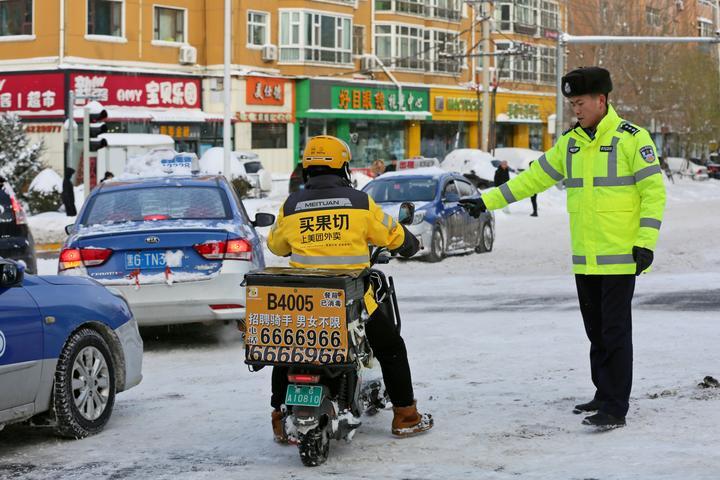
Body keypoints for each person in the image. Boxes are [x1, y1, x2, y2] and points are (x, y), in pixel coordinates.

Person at [459, 67, 666, 429]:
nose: (576, 109)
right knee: (596, 333)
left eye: (581, 102)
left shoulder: (632, 138)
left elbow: (654, 194)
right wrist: (487, 201)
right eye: (572, 104)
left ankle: (616, 407)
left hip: (620, 259)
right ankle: (603, 393)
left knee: (616, 334)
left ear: (602, 100)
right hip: (585, 259)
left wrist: (645, 244)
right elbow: (534, 178)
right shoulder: (570, 143)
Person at [266, 135, 433, 441]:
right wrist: (410, 243)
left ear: (306, 170)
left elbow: (276, 245)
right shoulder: (359, 203)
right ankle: (406, 416)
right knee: (391, 348)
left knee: (288, 350)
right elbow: (392, 234)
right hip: (352, 303)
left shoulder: (291, 205)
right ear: (343, 168)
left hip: (305, 305)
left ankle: (279, 417)